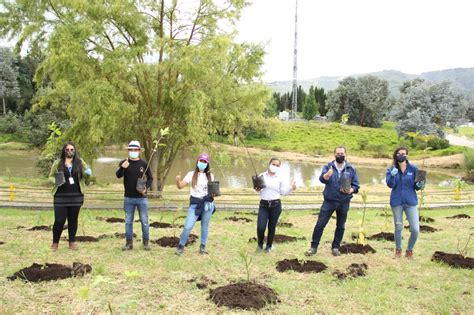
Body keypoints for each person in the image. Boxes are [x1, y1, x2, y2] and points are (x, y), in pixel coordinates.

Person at [306, 146, 360, 256]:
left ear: (345, 154)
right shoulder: (328, 166)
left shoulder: (351, 169)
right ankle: (313, 247)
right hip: (329, 201)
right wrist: (327, 175)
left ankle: (335, 247)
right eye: (338, 153)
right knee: (320, 224)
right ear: (334, 154)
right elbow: (321, 179)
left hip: (344, 202)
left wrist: (351, 190)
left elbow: (356, 186)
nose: (340, 155)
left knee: (341, 226)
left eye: (342, 153)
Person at [49, 141, 92, 250]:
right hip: (60, 196)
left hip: (76, 196)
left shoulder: (80, 162)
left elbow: (87, 175)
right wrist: (55, 181)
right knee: (59, 220)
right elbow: (50, 176)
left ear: (75, 151)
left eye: (72, 149)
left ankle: (72, 242)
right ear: (64, 150)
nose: (69, 151)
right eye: (67, 149)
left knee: (73, 220)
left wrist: (88, 172)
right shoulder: (58, 163)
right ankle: (55, 243)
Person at [175, 153, 218, 255]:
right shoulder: (191, 174)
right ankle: (181, 246)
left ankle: (202, 247)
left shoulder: (211, 175)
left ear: (207, 164)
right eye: (201, 161)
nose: (202, 163)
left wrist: (213, 194)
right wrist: (177, 180)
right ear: (197, 161)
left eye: (204, 162)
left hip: (207, 205)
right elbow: (180, 186)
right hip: (195, 204)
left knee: (205, 226)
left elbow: (214, 192)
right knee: (188, 226)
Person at [386, 146, 424, 259]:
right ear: (396, 155)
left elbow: (417, 187)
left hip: (410, 202)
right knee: (398, 227)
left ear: (407, 155)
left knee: (415, 229)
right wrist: (392, 176)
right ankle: (398, 249)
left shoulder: (414, 169)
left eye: (403, 153)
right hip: (396, 202)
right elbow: (390, 185)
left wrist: (420, 185)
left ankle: (409, 250)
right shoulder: (391, 169)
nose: (401, 155)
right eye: (399, 153)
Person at [116, 140, 153, 251]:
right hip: (128, 198)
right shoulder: (124, 162)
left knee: (144, 221)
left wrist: (146, 187)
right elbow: (118, 175)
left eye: (135, 149)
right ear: (128, 151)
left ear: (139, 151)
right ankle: (129, 243)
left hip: (141, 198)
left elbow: (150, 178)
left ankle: (146, 242)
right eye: (131, 149)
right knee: (128, 221)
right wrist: (123, 167)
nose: (133, 151)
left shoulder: (144, 164)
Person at [255, 157, 296, 253]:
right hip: (264, 205)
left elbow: (284, 192)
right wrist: (257, 189)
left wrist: (291, 188)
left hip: (276, 205)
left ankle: (269, 246)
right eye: (274, 164)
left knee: (272, 227)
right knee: (261, 227)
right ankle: (260, 245)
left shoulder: (280, 177)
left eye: (278, 165)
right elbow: (258, 191)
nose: (275, 167)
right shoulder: (261, 176)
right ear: (269, 164)